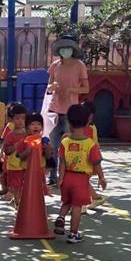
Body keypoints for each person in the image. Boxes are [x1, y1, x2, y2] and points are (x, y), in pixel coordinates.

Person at [55, 103, 106, 243]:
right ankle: (73, 233)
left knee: (66, 202)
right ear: (88, 121)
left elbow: (62, 161)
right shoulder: (90, 144)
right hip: (81, 179)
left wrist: (60, 178)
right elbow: (96, 163)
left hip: (67, 177)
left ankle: (60, 217)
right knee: (77, 207)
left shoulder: (65, 142)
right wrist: (101, 178)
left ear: (69, 122)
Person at [45, 35, 89, 186]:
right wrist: (52, 87)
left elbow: (86, 88)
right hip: (54, 110)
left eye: (68, 48)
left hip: (71, 112)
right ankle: (52, 177)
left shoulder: (79, 66)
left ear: (73, 49)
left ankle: (67, 176)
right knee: (53, 145)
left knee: (69, 146)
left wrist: (71, 90)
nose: (65, 51)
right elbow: (49, 87)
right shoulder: (54, 65)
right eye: (63, 48)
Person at [0, 102, 29, 205]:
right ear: (12, 119)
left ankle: (21, 201)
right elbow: (6, 150)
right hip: (14, 166)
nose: (20, 121)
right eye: (17, 118)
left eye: (23, 118)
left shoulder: (28, 134)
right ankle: (17, 204)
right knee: (15, 186)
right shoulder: (10, 135)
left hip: (26, 165)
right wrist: (16, 146)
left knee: (24, 185)